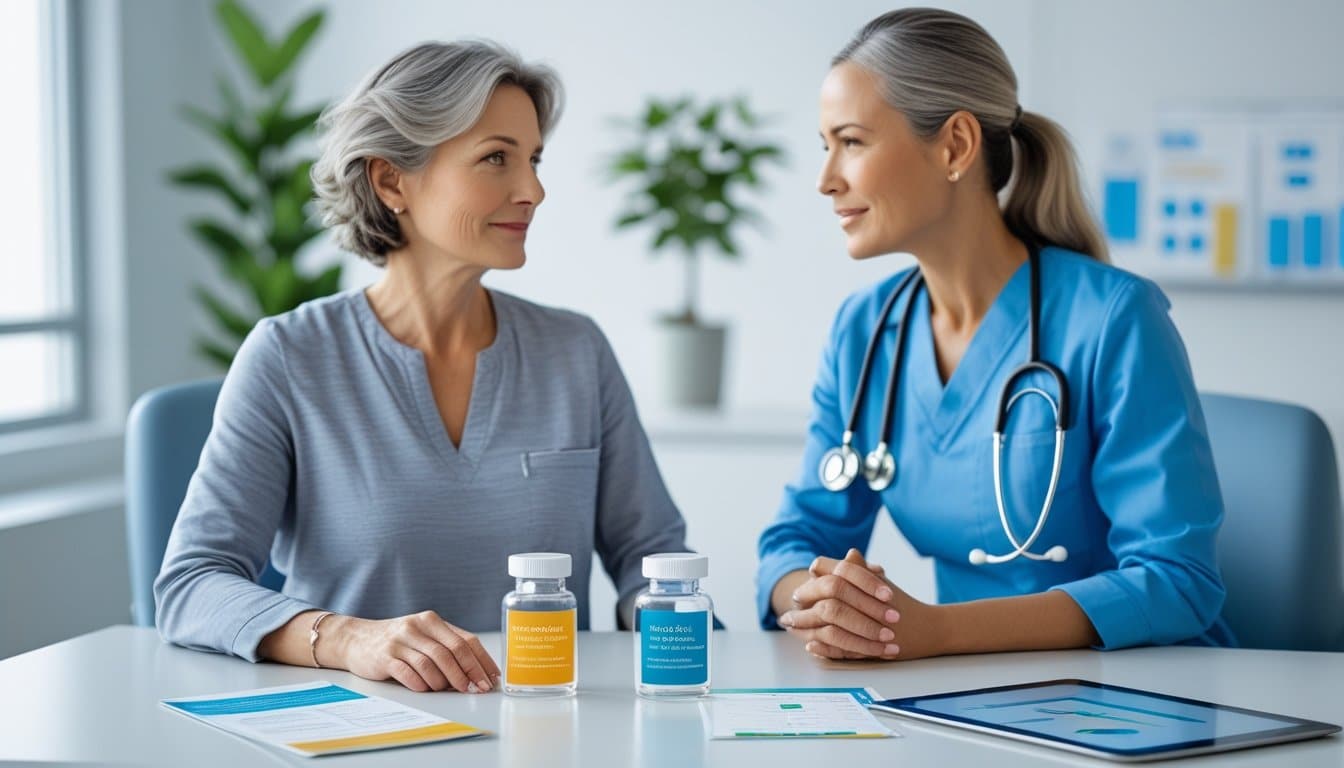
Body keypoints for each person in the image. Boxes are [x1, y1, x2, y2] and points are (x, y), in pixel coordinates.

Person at [155, 40, 690, 693]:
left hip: (547, 724)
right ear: (391, 181)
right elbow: (191, 586)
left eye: (534, 159)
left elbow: (653, 563)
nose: (534, 190)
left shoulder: (575, 352)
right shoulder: (290, 357)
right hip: (358, 730)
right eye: (496, 158)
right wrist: (350, 638)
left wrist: (691, 649)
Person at [757, 8, 1234, 661]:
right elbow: (796, 538)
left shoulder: (1115, 319)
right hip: (960, 684)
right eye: (825, 146)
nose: (825, 179)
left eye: (853, 142)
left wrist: (934, 632)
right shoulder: (864, 333)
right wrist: (824, 600)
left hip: (1140, 689)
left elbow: (1177, 582)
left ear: (954, 146)